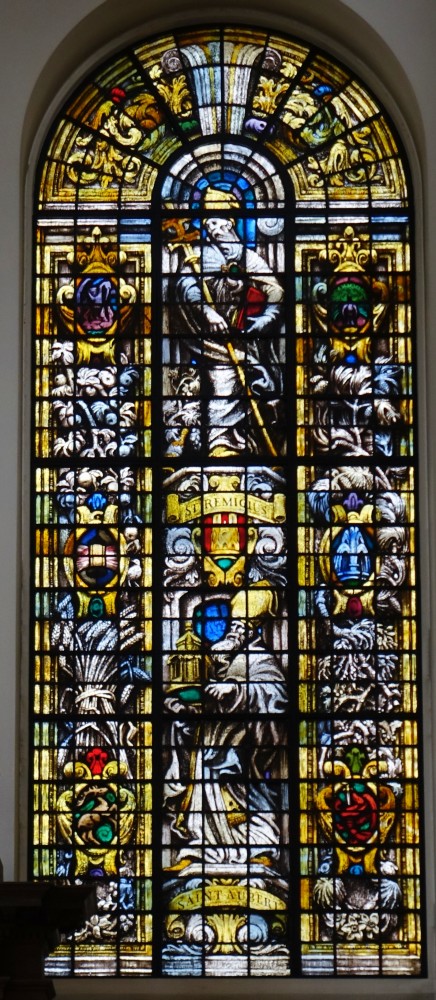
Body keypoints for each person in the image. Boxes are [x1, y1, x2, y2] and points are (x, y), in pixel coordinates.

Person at [172, 187, 284, 457]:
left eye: (216, 221)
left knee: (249, 382)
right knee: (223, 382)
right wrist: (207, 312)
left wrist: (264, 319)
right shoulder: (199, 255)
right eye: (208, 223)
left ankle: (249, 446)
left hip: (244, 336)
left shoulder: (248, 257)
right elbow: (186, 286)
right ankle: (220, 446)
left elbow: (275, 290)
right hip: (212, 340)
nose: (211, 228)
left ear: (229, 222)